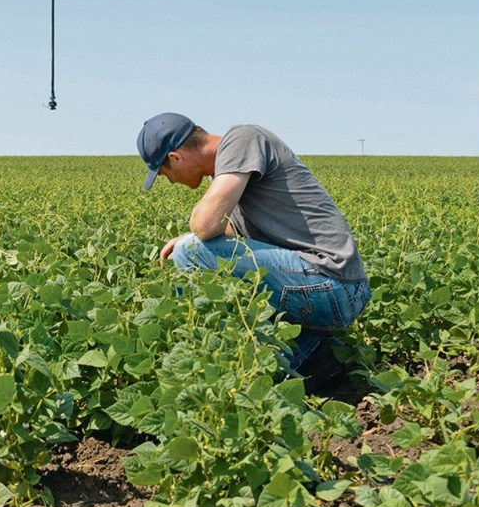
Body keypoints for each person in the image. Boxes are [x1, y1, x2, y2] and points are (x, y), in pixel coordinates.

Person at [136, 112, 371, 385]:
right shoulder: (233, 176)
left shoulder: (242, 139)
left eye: (164, 172)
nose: (170, 181)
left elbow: (205, 225)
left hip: (332, 282)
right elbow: (230, 235)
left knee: (189, 252)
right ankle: (318, 357)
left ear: (176, 157)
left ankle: (196, 349)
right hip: (328, 288)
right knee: (258, 381)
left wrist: (190, 242)